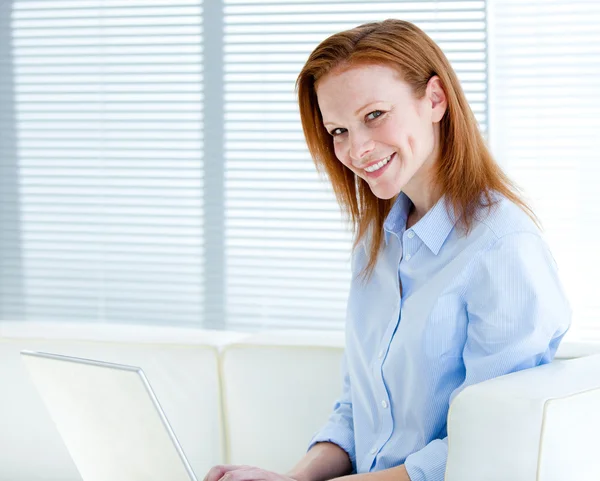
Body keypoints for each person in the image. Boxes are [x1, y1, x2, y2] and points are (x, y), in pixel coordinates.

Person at [204, 18, 571, 481]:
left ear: (435, 100)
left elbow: (488, 446)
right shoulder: (377, 245)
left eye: (374, 115)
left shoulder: (504, 248)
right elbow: (357, 408)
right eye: (337, 130)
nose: (356, 150)